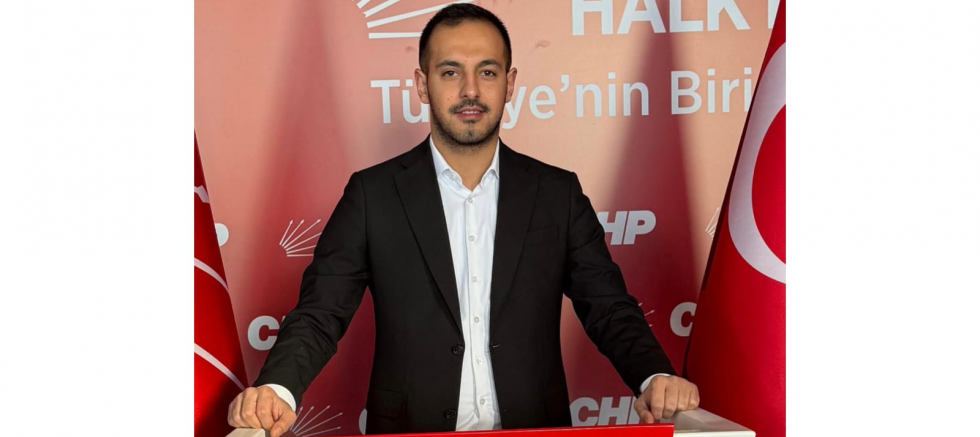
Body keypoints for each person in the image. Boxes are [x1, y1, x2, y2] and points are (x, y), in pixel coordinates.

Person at [227, 4, 698, 436]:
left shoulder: (557, 194)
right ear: (421, 84)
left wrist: (654, 376)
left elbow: (609, 308)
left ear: (510, 83)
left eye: (487, 72)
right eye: (450, 71)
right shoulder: (372, 195)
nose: (470, 90)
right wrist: (278, 389)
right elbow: (320, 312)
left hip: (534, 430)